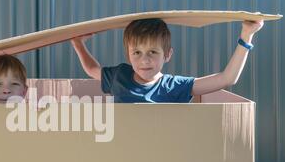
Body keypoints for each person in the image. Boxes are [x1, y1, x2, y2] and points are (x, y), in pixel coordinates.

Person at [71, 18, 264, 103]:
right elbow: (92, 69)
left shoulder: (174, 86)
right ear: (128, 54)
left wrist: (246, 36)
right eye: (136, 52)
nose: (144, 60)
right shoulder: (119, 76)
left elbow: (226, 78)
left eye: (152, 52)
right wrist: (78, 43)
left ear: (167, 55)